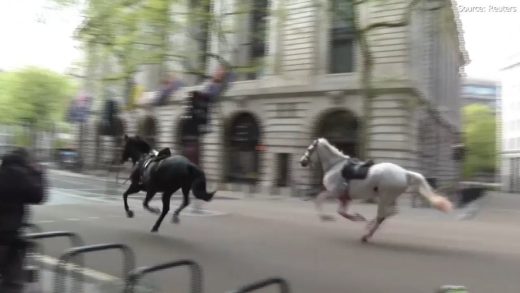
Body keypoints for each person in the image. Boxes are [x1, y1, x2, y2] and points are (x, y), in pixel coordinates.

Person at [0, 148, 47, 293]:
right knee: (13, 280)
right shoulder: (22, 175)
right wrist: (38, 173)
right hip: (10, 234)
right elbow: (38, 196)